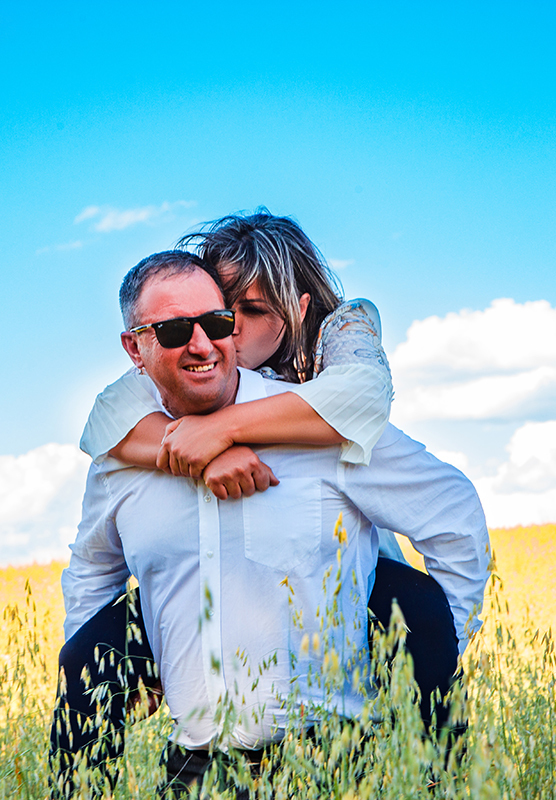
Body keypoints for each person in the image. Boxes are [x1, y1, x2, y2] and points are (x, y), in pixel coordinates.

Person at [56, 251, 490, 797]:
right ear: (133, 349)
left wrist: (434, 656)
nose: (201, 344)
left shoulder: (321, 425)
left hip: (329, 766)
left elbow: (453, 515)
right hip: (195, 770)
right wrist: (115, 677)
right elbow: (92, 571)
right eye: (172, 331)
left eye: (217, 323)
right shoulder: (122, 452)